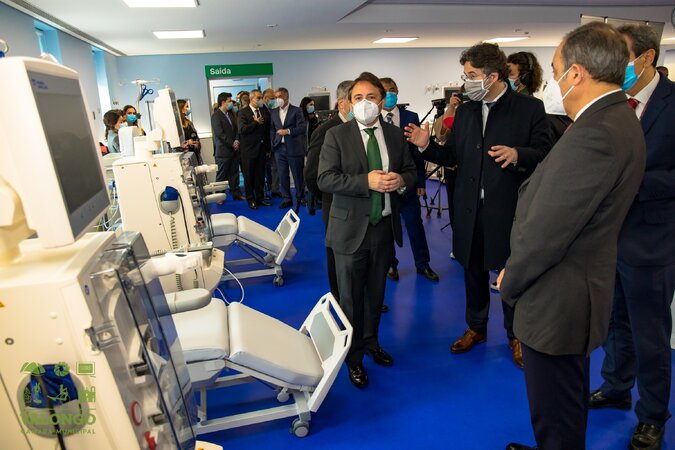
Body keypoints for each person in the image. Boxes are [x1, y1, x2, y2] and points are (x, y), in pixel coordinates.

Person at [496, 22, 646, 450]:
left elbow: (548, 232)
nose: (555, 79)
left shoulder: (595, 133)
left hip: (557, 297)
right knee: (565, 397)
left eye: (556, 69)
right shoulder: (615, 117)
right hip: (575, 290)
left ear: (576, 73)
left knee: (555, 408)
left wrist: (512, 280)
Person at [404, 42, 553, 368]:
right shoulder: (467, 111)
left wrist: (518, 155)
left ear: (492, 76)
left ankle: (516, 335)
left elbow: (545, 153)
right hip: (469, 209)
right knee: (472, 271)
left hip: (510, 210)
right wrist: (426, 145)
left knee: (512, 274)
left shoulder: (528, 109)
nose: (466, 81)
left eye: (471, 75)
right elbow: (452, 157)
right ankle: (476, 327)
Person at [590, 24, 675, 450]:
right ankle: (616, 386)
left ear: (646, 58)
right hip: (608, 237)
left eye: (620, 56)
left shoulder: (672, 104)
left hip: (651, 240)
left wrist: (633, 182)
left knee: (650, 334)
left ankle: (653, 415)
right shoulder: (610, 103)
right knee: (614, 322)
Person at [318, 72, 417, 388]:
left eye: (371, 97)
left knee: (376, 294)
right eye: (358, 98)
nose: (365, 103)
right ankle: (353, 357)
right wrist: (366, 181)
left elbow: (411, 171)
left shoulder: (394, 135)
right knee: (350, 298)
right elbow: (325, 178)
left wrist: (401, 181)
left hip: (383, 227)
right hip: (349, 230)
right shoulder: (337, 135)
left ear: (382, 100)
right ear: (348, 102)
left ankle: (372, 342)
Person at [379, 77, 439, 283]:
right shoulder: (373, 119)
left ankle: (423, 265)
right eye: (385, 90)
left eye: (392, 89)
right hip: (384, 183)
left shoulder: (410, 117)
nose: (389, 93)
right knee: (387, 229)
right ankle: (391, 265)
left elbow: (417, 152)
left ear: (397, 91)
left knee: (415, 225)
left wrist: (421, 181)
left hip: (408, 181)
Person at [304, 79, 353, 301]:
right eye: (356, 99)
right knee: (337, 257)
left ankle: (360, 296)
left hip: (360, 205)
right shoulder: (326, 131)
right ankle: (340, 299)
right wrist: (326, 197)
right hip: (334, 204)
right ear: (342, 103)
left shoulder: (363, 129)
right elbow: (311, 174)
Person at [270, 87, 306, 209]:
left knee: (297, 175)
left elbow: (302, 127)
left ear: (286, 97)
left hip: (294, 148)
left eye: (279, 96)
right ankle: (286, 198)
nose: (277, 99)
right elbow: (272, 129)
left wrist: (288, 131)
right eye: (276, 97)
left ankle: (301, 197)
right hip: (279, 148)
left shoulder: (296, 110)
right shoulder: (274, 112)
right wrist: (273, 142)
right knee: (282, 175)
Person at [237, 89, 271, 210]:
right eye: (258, 98)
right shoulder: (242, 112)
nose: (261, 100)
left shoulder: (263, 111)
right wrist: (255, 123)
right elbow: (242, 129)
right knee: (249, 176)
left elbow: (266, 130)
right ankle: (250, 199)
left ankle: (260, 198)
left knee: (260, 176)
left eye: (261, 97)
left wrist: (268, 148)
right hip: (248, 150)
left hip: (261, 149)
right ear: (251, 99)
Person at [211, 92, 243, 200]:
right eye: (229, 101)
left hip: (234, 150)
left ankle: (236, 194)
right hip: (223, 151)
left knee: (234, 174)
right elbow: (220, 134)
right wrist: (232, 143)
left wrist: (237, 141)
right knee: (222, 176)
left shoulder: (230, 115)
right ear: (223, 102)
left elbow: (236, 130)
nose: (231, 104)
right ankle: (219, 197)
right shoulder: (216, 116)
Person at [262, 88, 281, 198]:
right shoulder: (261, 110)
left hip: (274, 144)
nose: (274, 100)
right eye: (273, 98)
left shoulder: (273, 110)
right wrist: (267, 147)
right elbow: (264, 131)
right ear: (266, 98)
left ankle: (275, 189)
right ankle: (263, 192)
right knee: (263, 170)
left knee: (275, 168)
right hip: (265, 146)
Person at [177, 99, 203, 164]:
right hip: (185, 157)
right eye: (186, 106)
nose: (188, 109)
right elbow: (176, 144)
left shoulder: (189, 122)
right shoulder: (177, 125)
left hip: (194, 153)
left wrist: (197, 143)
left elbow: (195, 135)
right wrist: (188, 142)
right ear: (181, 109)